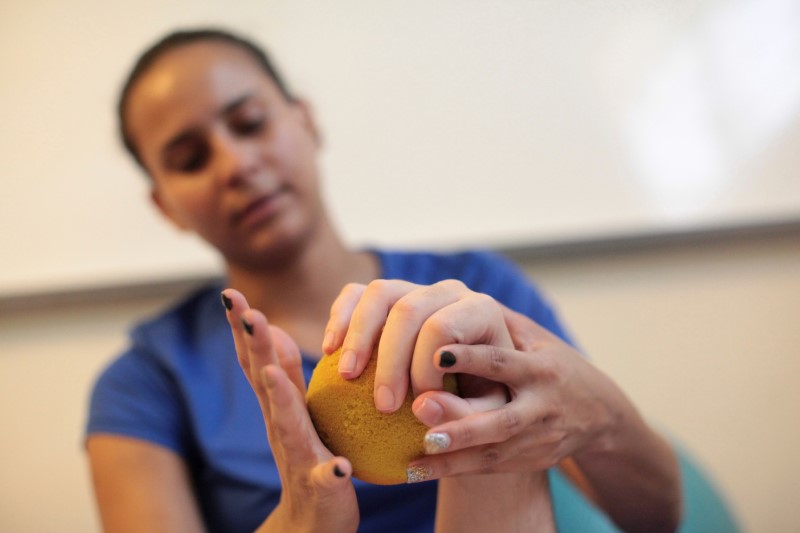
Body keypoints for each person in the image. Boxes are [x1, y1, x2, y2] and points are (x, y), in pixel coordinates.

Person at [85, 27, 685, 532]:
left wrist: (597, 412)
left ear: (306, 121)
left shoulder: (475, 289)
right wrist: (302, 513)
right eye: (191, 160)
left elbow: (654, 516)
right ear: (166, 206)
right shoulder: (145, 381)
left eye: (250, 122)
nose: (236, 164)